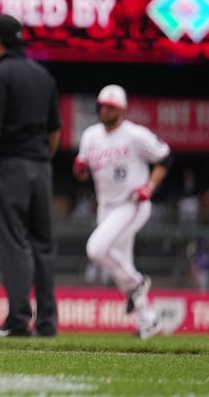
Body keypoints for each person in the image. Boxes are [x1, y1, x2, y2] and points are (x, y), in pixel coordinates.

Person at [0, 13, 61, 338]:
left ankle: (19, 321)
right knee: (43, 246)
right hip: (41, 167)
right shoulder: (43, 75)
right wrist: (40, 161)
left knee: (14, 243)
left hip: (9, 166)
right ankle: (47, 323)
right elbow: (55, 133)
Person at [73, 84, 170, 339]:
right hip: (106, 206)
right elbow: (82, 168)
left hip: (131, 204)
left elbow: (165, 158)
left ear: (122, 110)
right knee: (121, 265)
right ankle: (149, 323)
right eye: (102, 105)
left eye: (111, 107)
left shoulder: (135, 134)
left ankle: (138, 283)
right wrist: (80, 168)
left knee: (96, 249)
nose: (105, 110)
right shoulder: (90, 135)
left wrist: (150, 185)